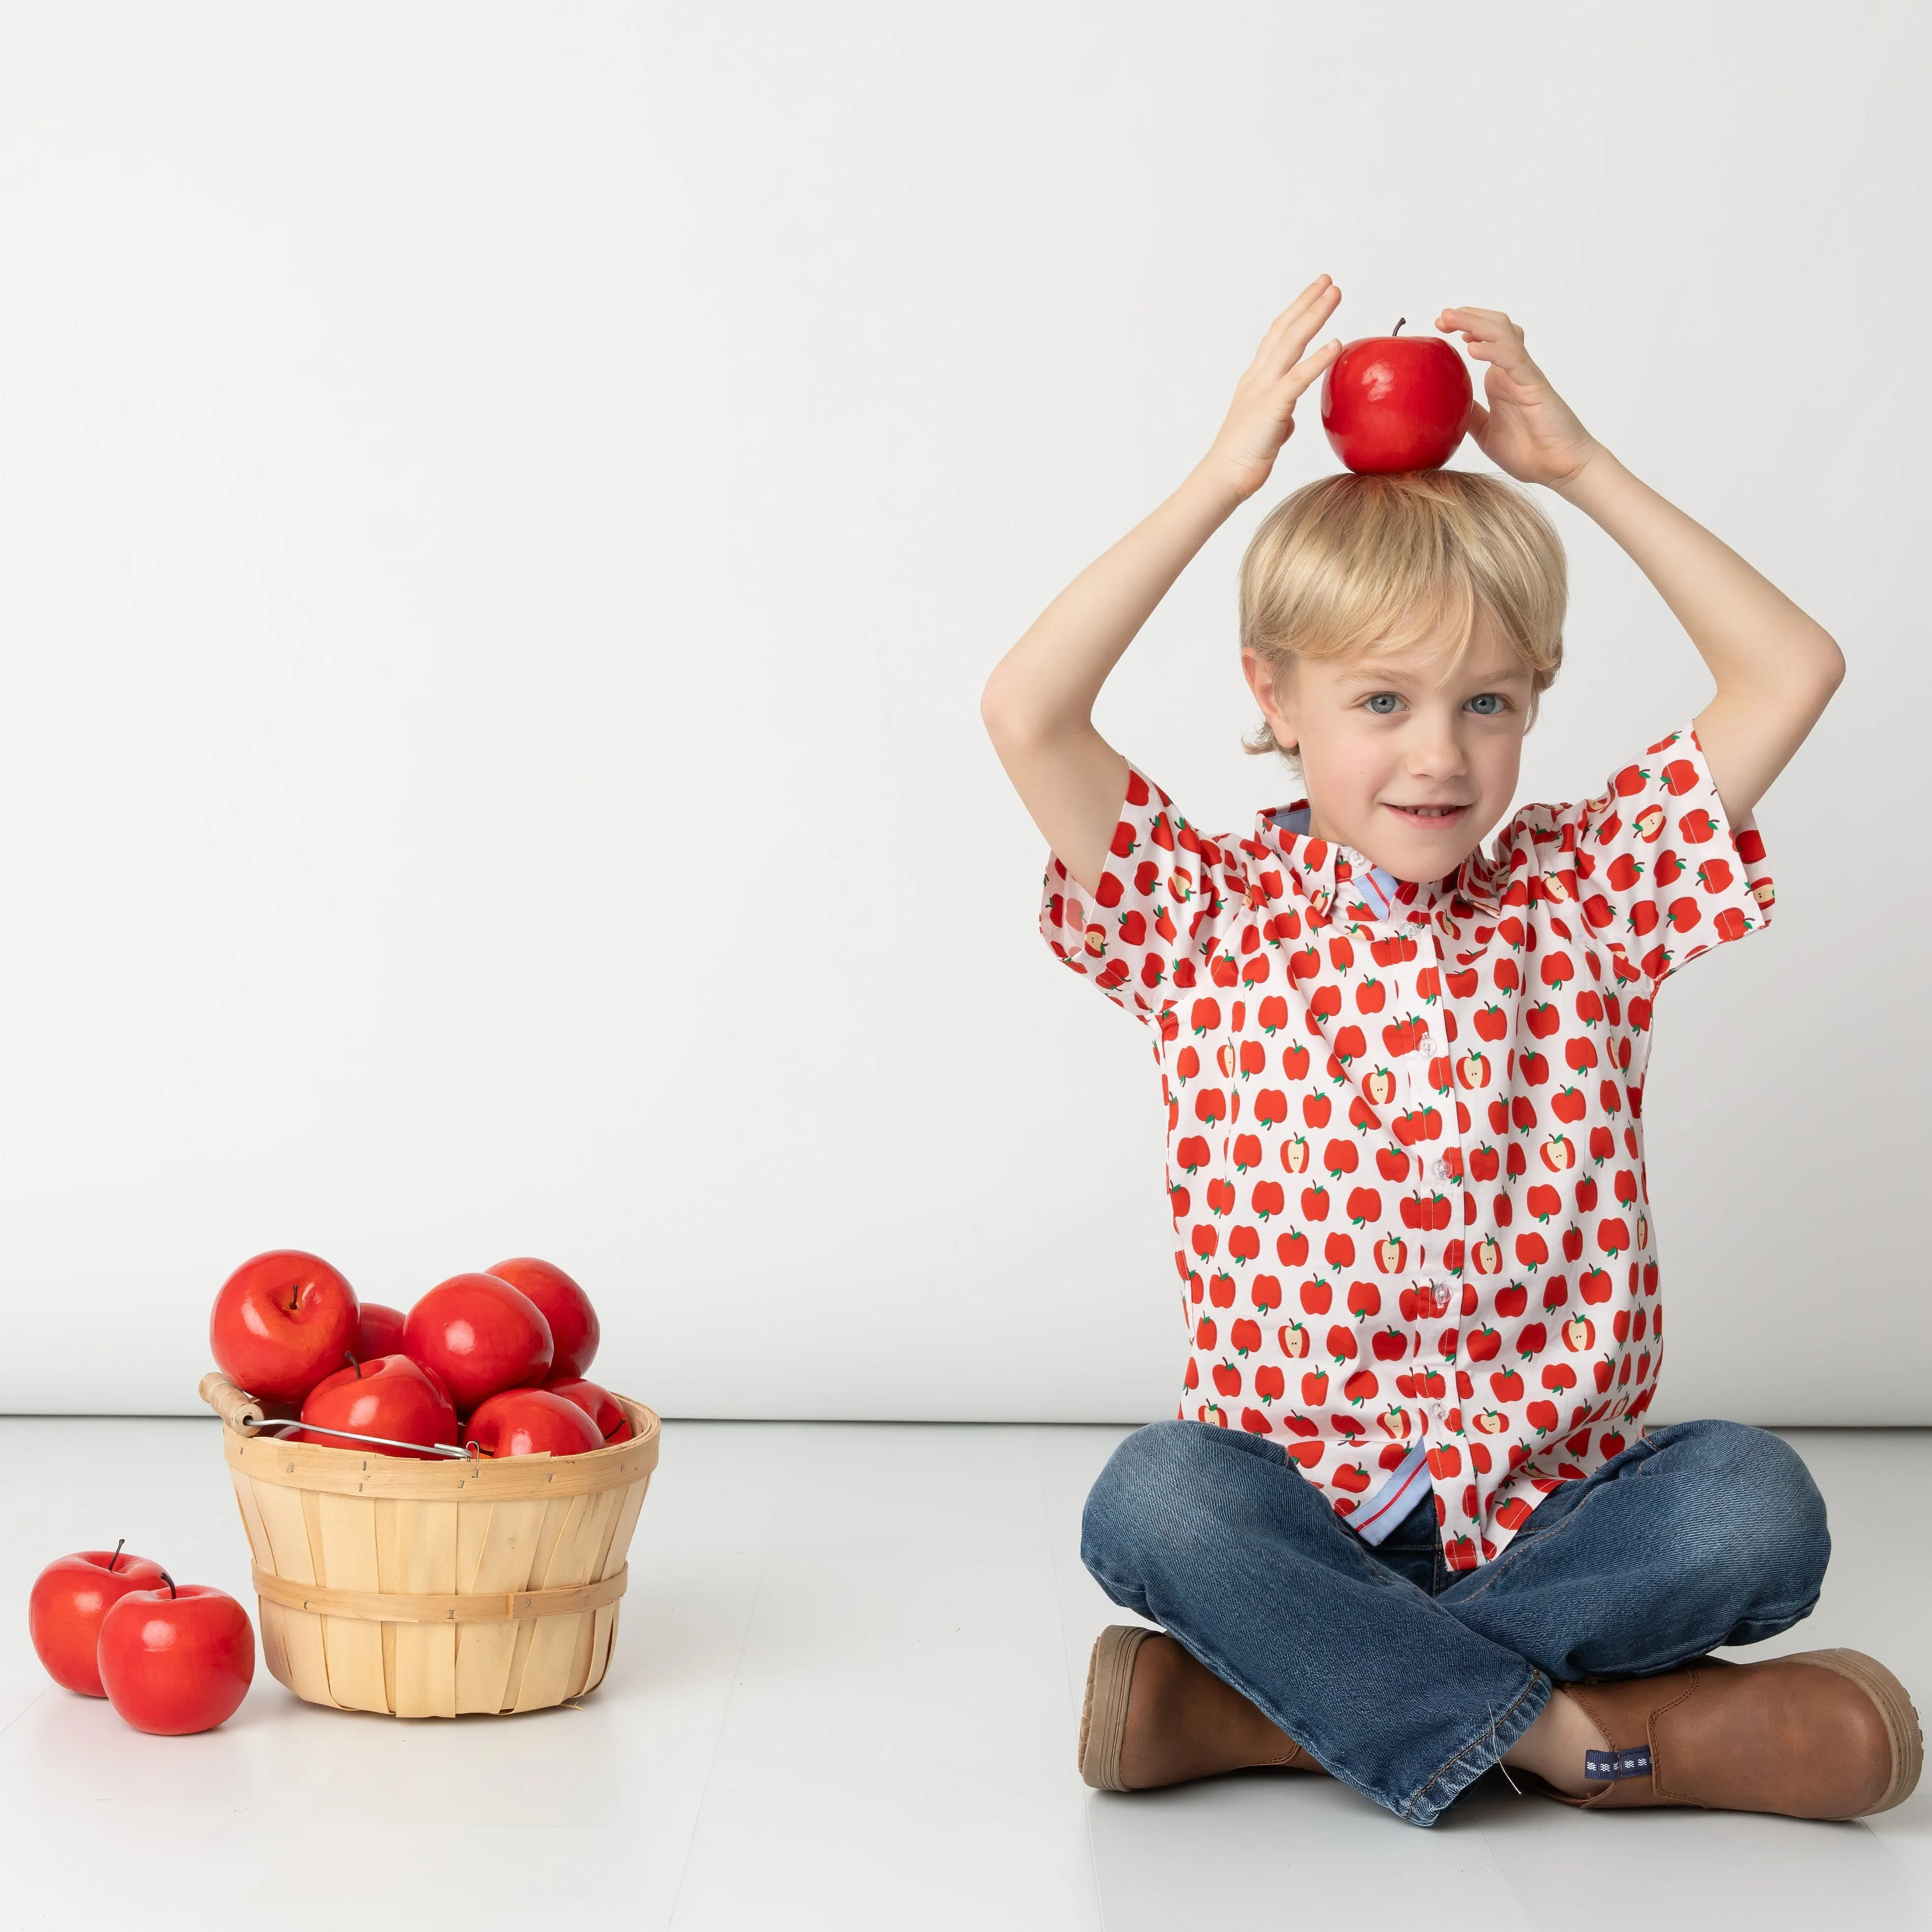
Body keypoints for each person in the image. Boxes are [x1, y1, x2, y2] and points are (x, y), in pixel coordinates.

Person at [979, 274, 1920, 1826]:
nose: (1437, 752)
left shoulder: (1587, 891)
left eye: (1486, 701)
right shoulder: (1201, 914)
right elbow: (1026, 709)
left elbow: (1788, 668)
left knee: (1757, 1503)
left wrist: (1579, 469)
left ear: (1536, 697)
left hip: (1560, 1520)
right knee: (1153, 1497)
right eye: (1381, 700)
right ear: (1270, 697)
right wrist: (1225, 476)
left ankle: (1275, 1707)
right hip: (1298, 1521)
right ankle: (1593, 1742)